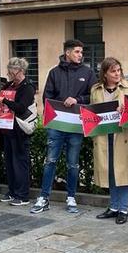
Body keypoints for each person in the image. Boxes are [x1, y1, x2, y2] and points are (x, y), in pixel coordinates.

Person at [31, 39, 96, 214]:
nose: (80, 55)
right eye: (77, 52)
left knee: (72, 164)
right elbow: (47, 97)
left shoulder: (88, 73)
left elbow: (93, 97)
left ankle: (71, 197)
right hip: (57, 125)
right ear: (67, 53)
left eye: (81, 52)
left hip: (76, 125)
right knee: (50, 161)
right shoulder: (54, 72)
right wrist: (61, 103)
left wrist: (78, 100)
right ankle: (44, 198)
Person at [91, 58, 128, 225]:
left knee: (123, 172)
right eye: (113, 71)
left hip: (124, 137)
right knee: (110, 172)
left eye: (118, 70)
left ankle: (123, 209)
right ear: (105, 73)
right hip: (103, 135)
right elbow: (93, 110)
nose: (117, 74)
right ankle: (113, 207)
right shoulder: (96, 89)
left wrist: (126, 110)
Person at [0, 57, 36, 207]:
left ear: (20, 71)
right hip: (7, 128)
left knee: (20, 163)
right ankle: (12, 192)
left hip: (19, 130)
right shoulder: (9, 85)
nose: (9, 72)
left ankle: (23, 195)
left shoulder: (27, 87)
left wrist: (3, 101)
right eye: (9, 69)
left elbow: (21, 107)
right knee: (10, 163)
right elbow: (1, 102)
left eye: (12, 69)